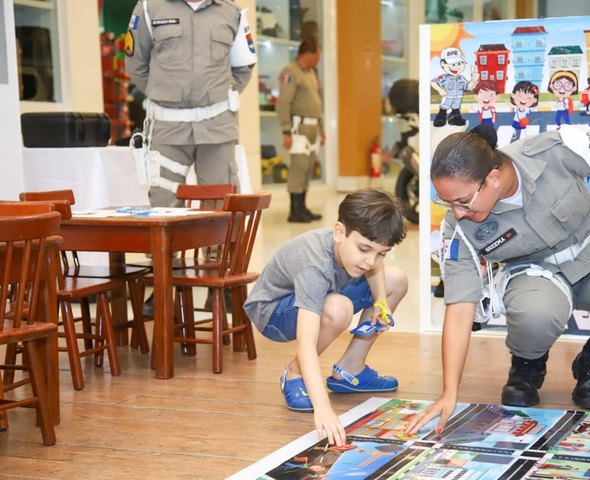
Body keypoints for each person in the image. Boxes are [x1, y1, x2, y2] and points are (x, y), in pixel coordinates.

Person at [405, 124, 590, 435]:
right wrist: (448, 391)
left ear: (493, 178)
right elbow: (459, 307)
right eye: (447, 202)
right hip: (536, 274)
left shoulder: (557, 147)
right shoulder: (458, 227)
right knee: (535, 314)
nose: (458, 212)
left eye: (463, 201)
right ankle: (527, 365)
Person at [244, 189, 408, 446]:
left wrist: (380, 301)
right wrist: (323, 408)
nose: (370, 260)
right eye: (364, 248)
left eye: (381, 253)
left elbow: (374, 263)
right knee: (337, 308)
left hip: (320, 295)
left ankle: (351, 368)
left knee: (395, 280)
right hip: (273, 313)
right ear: (339, 232)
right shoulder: (314, 265)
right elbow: (306, 342)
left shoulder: (363, 253)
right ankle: (294, 372)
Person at [124, 0, 255, 207]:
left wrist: (217, 95)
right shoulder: (150, 8)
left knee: (222, 204)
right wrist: (164, 92)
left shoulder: (231, 12)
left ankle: (218, 242)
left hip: (217, 128)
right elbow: (136, 65)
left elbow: (243, 66)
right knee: (164, 206)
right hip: (168, 128)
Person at [277, 38, 325, 223]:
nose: (319, 59)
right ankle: (294, 210)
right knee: (298, 168)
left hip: (313, 127)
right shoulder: (290, 72)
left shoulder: (311, 73)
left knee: (308, 168)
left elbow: (316, 104)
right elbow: (284, 103)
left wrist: (321, 129)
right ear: (308, 53)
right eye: (318, 55)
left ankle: (303, 207)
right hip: (298, 128)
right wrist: (286, 131)